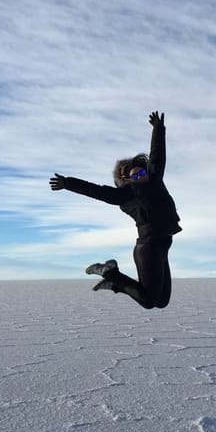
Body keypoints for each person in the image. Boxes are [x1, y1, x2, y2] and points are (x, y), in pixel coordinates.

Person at [49, 111, 181, 309]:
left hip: (164, 244)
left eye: (141, 173)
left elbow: (157, 155)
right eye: (134, 176)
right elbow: (95, 190)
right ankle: (109, 272)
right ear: (128, 181)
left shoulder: (155, 180)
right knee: (148, 301)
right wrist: (68, 183)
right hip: (148, 248)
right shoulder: (126, 195)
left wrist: (158, 129)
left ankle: (113, 281)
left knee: (161, 302)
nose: (140, 177)